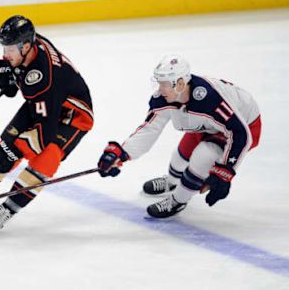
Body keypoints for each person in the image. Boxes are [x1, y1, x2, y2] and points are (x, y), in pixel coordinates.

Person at [0, 15, 94, 233]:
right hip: (44, 102)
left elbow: (44, 133)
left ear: (26, 46)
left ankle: (9, 208)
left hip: (72, 117)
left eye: (9, 50)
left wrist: (16, 149)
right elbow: (17, 76)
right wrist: (6, 73)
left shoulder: (42, 78)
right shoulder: (29, 47)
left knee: (43, 160)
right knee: (1, 154)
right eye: (4, 48)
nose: (5, 54)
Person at [97, 55, 261, 218]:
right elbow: (150, 128)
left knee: (202, 156)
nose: (160, 89)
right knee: (180, 155)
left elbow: (239, 133)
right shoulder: (166, 97)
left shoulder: (211, 100)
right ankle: (172, 182)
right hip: (209, 124)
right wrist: (122, 152)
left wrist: (225, 172)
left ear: (181, 84)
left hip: (244, 124)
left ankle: (178, 201)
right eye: (159, 83)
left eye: (164, 84)